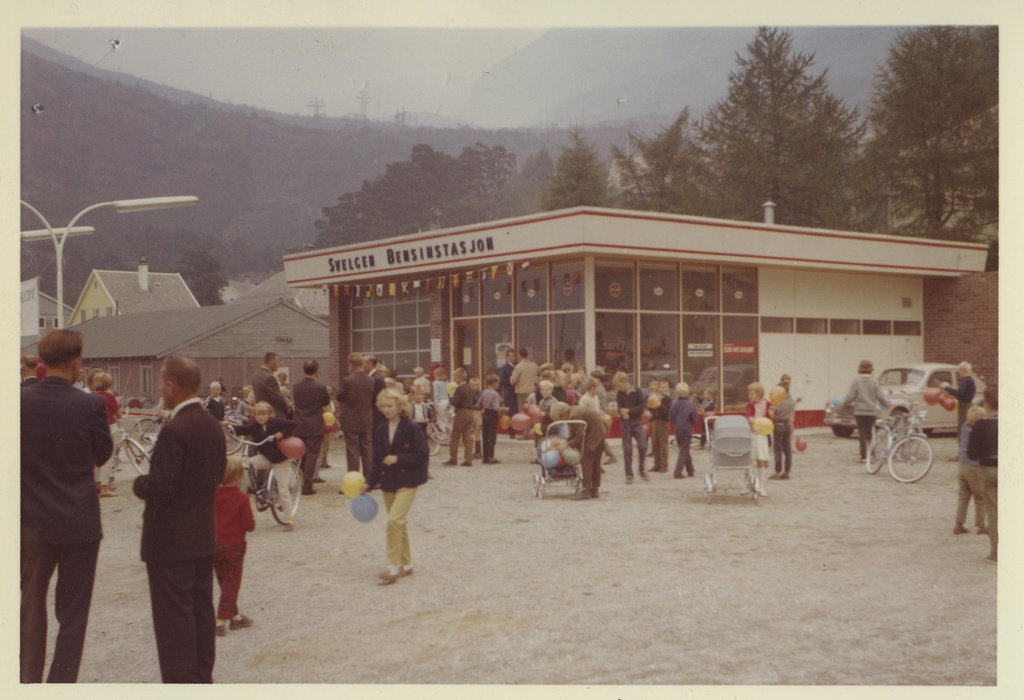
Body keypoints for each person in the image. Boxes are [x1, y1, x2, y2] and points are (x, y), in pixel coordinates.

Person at [21, 329, 114, 683]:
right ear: (76, 362)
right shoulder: (91, 404)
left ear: (41, 361)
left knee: (30, 604)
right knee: (73, 612)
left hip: (31, 523)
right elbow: (103, 453)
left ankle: (27, 680)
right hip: (79, 522)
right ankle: (61, 683)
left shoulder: (17, 402)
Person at [132, 356, 225, 683]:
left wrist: (139, 483)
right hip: (201, 534)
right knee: (201, 613)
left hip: (170, 542)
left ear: (171, 387)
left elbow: (161, 485)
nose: (160, 389)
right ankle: (202, 678)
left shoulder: (175, 430)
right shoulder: (212, 424)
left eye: (161, 384)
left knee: (174, 623)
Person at [361, 388, 429, 584]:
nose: (386, 410)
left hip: (409, 481)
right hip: (388, 482)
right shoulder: (380, 429)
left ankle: (392, 566)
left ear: (400, 406)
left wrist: (398, 458)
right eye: (383, 406)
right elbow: (376, 461)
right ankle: (406, 564)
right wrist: (368, 483)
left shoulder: (412, 428)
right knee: (398, 523)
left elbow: (422, 455)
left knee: (393, 522)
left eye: (389, 406)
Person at [231, 402, 299, 530]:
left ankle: (289, 519)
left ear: (269, 414)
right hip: (266, 458)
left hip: (280, 460)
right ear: (254, 415)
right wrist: (229, 427)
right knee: (247, 462)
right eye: (258, 414)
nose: (261, 417)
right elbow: (243, 430)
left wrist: (281, 434)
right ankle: (250, 485)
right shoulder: (254, 426)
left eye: (263, 414)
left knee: (283, 488)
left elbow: (293, 424)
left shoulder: (276, 423)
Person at [213, 456, 255, 637]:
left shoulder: (211, 494)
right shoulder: (241, 498)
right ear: (239, 477)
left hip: (213, 544)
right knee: (232, 582)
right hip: (234, 546)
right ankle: (220, 620)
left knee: (224, 580)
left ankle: (235, 616)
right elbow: (249, 525)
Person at [549, 401, 610, 500]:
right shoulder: (573, 411)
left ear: (562, 415)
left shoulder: (574, 416)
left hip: (595, 433)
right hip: (600, 430)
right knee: (595, 462)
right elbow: (574, 434)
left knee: (587, 461)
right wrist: (565, 443)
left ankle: (586, 490)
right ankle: (594, 490)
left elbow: (579, 436)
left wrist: (566, 445)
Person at [291, 359, 331, 495]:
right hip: (314, 425)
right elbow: (326, 402)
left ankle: (300, 480)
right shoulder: (320, 387)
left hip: (300, 424)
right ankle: (307, 486)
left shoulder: (296, 386)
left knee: (301, 454)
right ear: (317, 370)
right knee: (312, 454)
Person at [967, 385, 998, 563]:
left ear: (986, 404)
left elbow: (971, 453)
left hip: (988, 470)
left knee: (993, 511)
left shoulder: (980, 425)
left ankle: (996, 551)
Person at [843, 360, 891, 463]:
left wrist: (844, 404)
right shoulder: (874, 381)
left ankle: (863, 456)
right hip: (871, 411)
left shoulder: (856, 380)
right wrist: (886, 403)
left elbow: (851, 395)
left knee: (862, 433)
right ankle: (872, 455)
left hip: (859, 411)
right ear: (871, 369)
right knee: (870, 432)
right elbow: (880, 396)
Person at [336, 352, 376, 476]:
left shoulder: (348, 380)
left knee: (353, 451)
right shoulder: (371, 380)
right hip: (366, 419)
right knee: (367, 451)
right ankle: (369, 479)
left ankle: (354, 479)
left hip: (351, 420)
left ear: (350, 365)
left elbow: (340, 397)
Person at [954, 406, 988, 536]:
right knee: (980, 497)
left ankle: (959, 524)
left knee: (963, 496)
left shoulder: (964, 427)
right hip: (974, 467)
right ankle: (981, 526)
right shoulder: (978, 432)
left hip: (962, 465)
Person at [91, 371, 123, 498]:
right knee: (108, 458)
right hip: (109, 426)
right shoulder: (109, 396)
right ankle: (105, 487)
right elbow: (118, 413)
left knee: (97, 457)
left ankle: (97, 483)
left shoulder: (91, 397)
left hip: (95, 429)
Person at [614, 371, 648, 484]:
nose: (618, 388)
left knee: (643, 446)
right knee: (627, 450)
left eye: (619, 385)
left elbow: (642, 407)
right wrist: (622, 413)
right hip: (625, 424)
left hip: (637, 422)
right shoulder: (619, 394)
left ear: (625, 382)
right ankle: (629, 475)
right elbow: (620, 408)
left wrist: (629, 411)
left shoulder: (637, 391)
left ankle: (642, 469)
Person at [443, 368, 476, 466]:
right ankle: (468, 459)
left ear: (459, 377)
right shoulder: (470, 387)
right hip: (470, 412)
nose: (454, 379)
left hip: (461, 412)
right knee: (467, 437)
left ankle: (453, 459)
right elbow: (474, 400)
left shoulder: (459, 388)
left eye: (455, 376)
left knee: (455, 436)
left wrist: (450, 397)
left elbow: (455, 402)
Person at [745, 382, 772, 497]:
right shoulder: (749, 405)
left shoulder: (768, 404)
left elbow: (771, 422)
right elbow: (748, 414)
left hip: (762, 435)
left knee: (761, 460)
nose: (749, 396)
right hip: (751, 434)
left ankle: (761, 486)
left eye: (752, 393)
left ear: (759, 394)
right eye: (749, 393)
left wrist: (772, 415)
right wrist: (749, 417)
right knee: (748, 460)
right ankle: (745, 485)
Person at [668, 382, 698, 479]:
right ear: (687, 393)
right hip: (686, 430)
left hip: (677, 430)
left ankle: (690, 470)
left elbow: (670, 417)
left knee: (684, 449)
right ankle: (678, 472)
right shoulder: (690, 405)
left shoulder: (674, 404)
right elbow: (694, 419)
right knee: (684, 451)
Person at [942, 361, 977, 442]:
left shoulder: (965, 381)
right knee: (967, 428)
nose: (959, 373)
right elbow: (965, 394)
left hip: (964, 406)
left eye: (959, 371)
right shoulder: (971, 380)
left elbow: (960, 392)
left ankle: (961, 452)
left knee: (961, 430)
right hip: (968, 404)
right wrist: (955, 396)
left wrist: (947, 388)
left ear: (963, 370)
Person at [251, 351, 290, 419]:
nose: (279, 364)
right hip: (273, 416)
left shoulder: (256, 375)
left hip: (262, 415)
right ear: (271, 363)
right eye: (278, 362)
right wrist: (287, 409)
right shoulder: (269, 378)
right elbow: (277, 399)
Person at [770, 382, 797, 480]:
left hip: (778, 425)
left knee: (778, 450)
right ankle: (787, 472)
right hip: (787, 425)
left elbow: (772, 414)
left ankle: (777, 471)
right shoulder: (791, 402)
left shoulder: (778, 402)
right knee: (787, 449)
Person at [477, 374, 505, 464]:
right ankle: (491, 457)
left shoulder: (483, 392)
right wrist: (504, 409)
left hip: (485, 414)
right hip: (492, 415)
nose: (498, 385)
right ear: (494, 383)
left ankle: (485, 457)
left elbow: (478, 404)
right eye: (497, 383)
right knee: (492, 436)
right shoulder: (495, 394)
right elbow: (496, 407)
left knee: (485, 435)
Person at [509, 347, 540, 426]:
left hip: (522, 391)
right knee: (532, 411)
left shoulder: (518, 366)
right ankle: (531, 431)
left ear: (519, 355)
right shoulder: (534, 365)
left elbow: (513, 381)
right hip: (533, 391)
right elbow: (539, 376)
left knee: (524, 412)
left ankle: (525, 432)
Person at [649, 379, 672, 473]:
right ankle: (656, 464)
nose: (665, 389)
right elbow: (651, 410)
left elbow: (668, 412)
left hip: (663, 422)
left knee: (663, 445)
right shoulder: (655, 397)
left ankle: (664, 465)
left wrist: (660, 406)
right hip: (655, 422)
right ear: (658, 389)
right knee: (655, 444)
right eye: (663, 387)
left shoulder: (667, 399)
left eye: (666, 387)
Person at [497, 349, 518, 437]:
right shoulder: (504, 368)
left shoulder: (517, 366)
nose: (513, 358)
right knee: (509, 413)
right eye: (511, 356)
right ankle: (511, 433)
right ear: (507, 357)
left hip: (517, 392)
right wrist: (512, 381)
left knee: (517, 411)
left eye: (514, 356)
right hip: (509, 393)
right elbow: (502, 381)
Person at [364, 355, 388, 431]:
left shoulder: (376, 379)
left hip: (376, 416)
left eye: (363, 363)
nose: (361, 366)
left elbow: (378, 399)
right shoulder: (373, 377)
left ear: (369, 365)